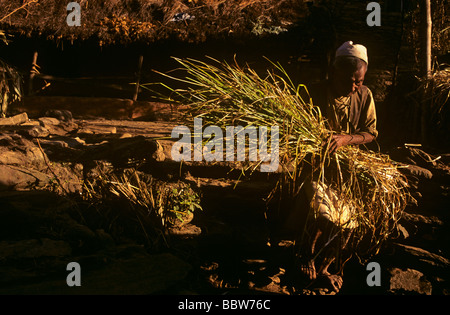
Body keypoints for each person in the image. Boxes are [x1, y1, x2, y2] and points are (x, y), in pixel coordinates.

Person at [294, 41, 378, 292]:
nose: (353, 87)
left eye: (359, 81)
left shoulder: (365, 96)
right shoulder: (313, 93)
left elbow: (371, 132)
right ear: (333, 73)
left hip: (349, 169)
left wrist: (345, 140)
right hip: (317, 165)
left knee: (352, 220)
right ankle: (305, 257)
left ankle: (325, 267)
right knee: (324, 214)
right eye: (348, 80)